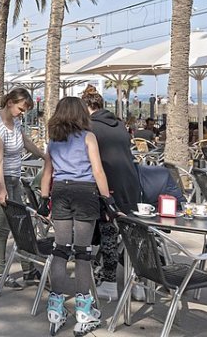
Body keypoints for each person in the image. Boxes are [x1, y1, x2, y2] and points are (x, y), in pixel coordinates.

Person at [39, 96, 117, 337]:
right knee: (83, 253)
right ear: (81, 113)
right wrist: (108, 201)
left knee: (60, 249)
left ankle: (55, 307)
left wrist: (44, 200)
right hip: (85, 192)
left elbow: (47, 172)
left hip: (60, 190)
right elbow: (97, 170)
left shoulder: (54, 140)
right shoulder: (88, 137)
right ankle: (84, 311)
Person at [80, 85, 141, 303]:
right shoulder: (120, 125)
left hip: (109, 185)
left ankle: (109, 282)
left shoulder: (90, 127)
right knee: (130, 235)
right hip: (131, 184)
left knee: (108, 233)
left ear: (88, 106)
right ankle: (139, 284)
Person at [0, 88, 46, 289]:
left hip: (14, 177)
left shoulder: (16, 122)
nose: (22, 113)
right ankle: (0, 273)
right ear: (9, 102)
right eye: (21, 108)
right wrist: (2, 190)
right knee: (4, 226)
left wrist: (45, 156)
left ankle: (28, 271)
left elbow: (27, 143)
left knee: (21, 223)